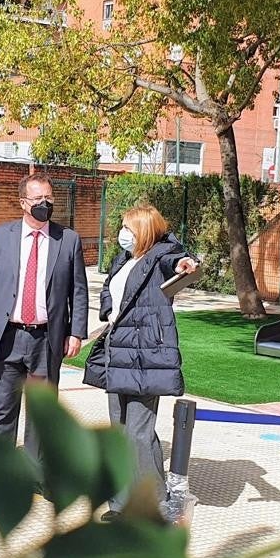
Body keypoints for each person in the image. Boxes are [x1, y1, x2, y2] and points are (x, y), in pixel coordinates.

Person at [87, 204, 198, 521]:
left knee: (139, 431)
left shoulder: (162, 253)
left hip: (145, 355)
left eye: (128, 227)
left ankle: (155, 504)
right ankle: (120, 504)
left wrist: (185, 264)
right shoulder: (124, 258)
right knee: (120, 431)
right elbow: (110, 287)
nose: (122, 233)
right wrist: (109, 312)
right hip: (117, 350)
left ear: (144, 230)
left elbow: (176, 261)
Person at [0, 173, 88, 463]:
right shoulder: (0, 236)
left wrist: (76, 332)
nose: (45, 204)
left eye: (49, 198)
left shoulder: (68, 239)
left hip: (46, 339)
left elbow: (79, 290)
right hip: (7, 336)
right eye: (38, 199)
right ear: (23, 203)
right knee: (1, 409)